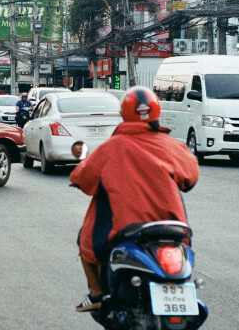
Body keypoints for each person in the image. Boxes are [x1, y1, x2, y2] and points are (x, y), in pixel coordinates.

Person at [69, 86, 199, 312]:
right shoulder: (173, 145)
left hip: (127, 228)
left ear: (124, 113)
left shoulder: (112, 147)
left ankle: (98, 293)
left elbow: (83, 176)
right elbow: (191, 177)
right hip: (172, 226)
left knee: (85, 240)